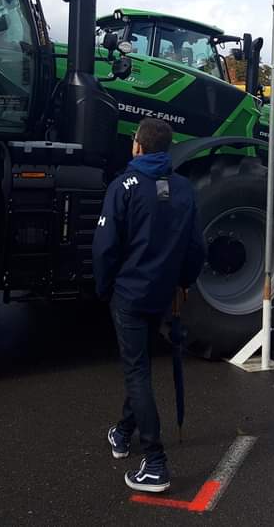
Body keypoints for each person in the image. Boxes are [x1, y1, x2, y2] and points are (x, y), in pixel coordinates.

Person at [93, 118, 207, 493]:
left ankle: (155, 462)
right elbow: (195, 247)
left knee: (136, 372)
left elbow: (106, 245)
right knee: (139, 365)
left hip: (129, 293)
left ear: (138, 145)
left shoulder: (123, 186)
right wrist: (183, 283)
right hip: (161, 293)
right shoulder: (184, 188)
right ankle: (123, 432)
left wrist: (104, 286)